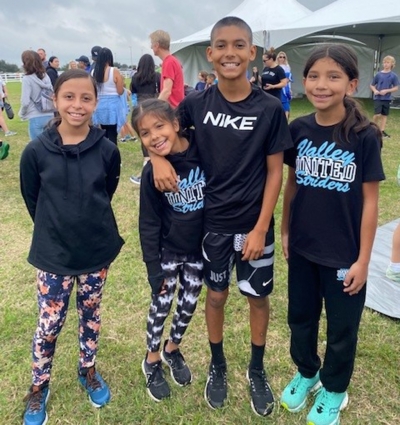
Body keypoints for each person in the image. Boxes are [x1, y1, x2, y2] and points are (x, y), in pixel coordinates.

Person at [151, 16, 292, 417]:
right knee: (216, 296)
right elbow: (155, 126)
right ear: (210, 54)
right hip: (211, 225)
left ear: (252, 53)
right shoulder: (196, 102)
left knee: (257, 298)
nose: (230, 53)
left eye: (239, 45)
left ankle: (257, 369)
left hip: (253, 226)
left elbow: (275, 171)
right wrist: (156, 156)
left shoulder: (268, 109)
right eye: (222, 46)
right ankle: (218, 364)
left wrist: (262, 227)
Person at [280, 44, 385, 425]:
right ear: (303, 81)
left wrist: (362, 260)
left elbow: (371, 202)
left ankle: (335, 389)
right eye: (313, 76)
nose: (321, 85)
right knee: (301, 318)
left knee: (342, 328)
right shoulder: (299, 129)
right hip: (305, 249)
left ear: (352, 84)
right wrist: (286, 229)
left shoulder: (364, 135)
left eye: (333, 76)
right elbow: (292, 184)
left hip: (344, 255)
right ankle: (307, 372)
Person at [20, 69, 124, 425]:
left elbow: (106, 193)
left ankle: (88, 370)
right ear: (56, 100)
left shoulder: (107, 150)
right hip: (53, 255)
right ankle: (38, 387)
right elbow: (32, 199)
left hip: (96, 251)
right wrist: (56, 229)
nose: (77, 105)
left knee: (90, 315)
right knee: (48, 326)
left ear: (96, 102)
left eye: (86, 98)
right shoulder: (35, 152)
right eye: (69, 97)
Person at [131, 98, 204, 402]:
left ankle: (172, 349)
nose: (154, 136)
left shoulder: (203, 150)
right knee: (161, 306)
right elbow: (147, 223)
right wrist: (152, 268)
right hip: (168, 252)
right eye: (145, 134)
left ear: (176, 124)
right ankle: (151, 360)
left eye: (159, 126)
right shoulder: (153, 174)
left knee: (187, 306)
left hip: (199, 251)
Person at [129, 53, 161, 184]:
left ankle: (146, 159)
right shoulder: (157, 76)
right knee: (156, 132)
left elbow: (133, 93)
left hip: (141, 107)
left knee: (144, 134)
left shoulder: (135, 77)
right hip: (154, 104)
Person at [92, 47, 125, 144]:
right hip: (112, 106)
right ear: (109, 58)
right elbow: (120, 91)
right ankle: (113, 155)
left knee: (103, 134)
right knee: (112, 135)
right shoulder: (113, 71)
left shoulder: (94, 72)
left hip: (99, 105)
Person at [19, 50, 54, 140]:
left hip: (35, 115)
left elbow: (25, 101)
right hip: (50, 114)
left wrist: (22, 114)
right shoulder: (45, 76)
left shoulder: (27, 79)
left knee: (37, 148)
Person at [149, 30, 184, 108]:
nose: (151, 47)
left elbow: (167, 91)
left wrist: (154, 108)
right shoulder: (173, 60)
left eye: (152, 44)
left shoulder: (169, 62)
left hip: (172, 110)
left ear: (157, 45)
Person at [370, 55, 399, 138]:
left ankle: (382, 131)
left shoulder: (393, 76)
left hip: (387, 99)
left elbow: (396, 87)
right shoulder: (378, 74)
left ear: (392, 64)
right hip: (378, 98)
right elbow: (372, 85)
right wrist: (375, 91)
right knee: (377, 114)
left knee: (384, 115)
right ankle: (374, 129)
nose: (386, 64)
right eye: (384, 62)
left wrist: (387, 91)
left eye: (388, 62)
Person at [277, 51, 293, 120]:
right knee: (282, 105)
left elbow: (290, 79)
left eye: (284, 57)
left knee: (287, 106)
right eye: (280, 57)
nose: (282, 59)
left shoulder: (287, 67)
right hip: (280, 88)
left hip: (286, 88)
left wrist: (289, 88)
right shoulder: (277, 67)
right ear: (278, 58)